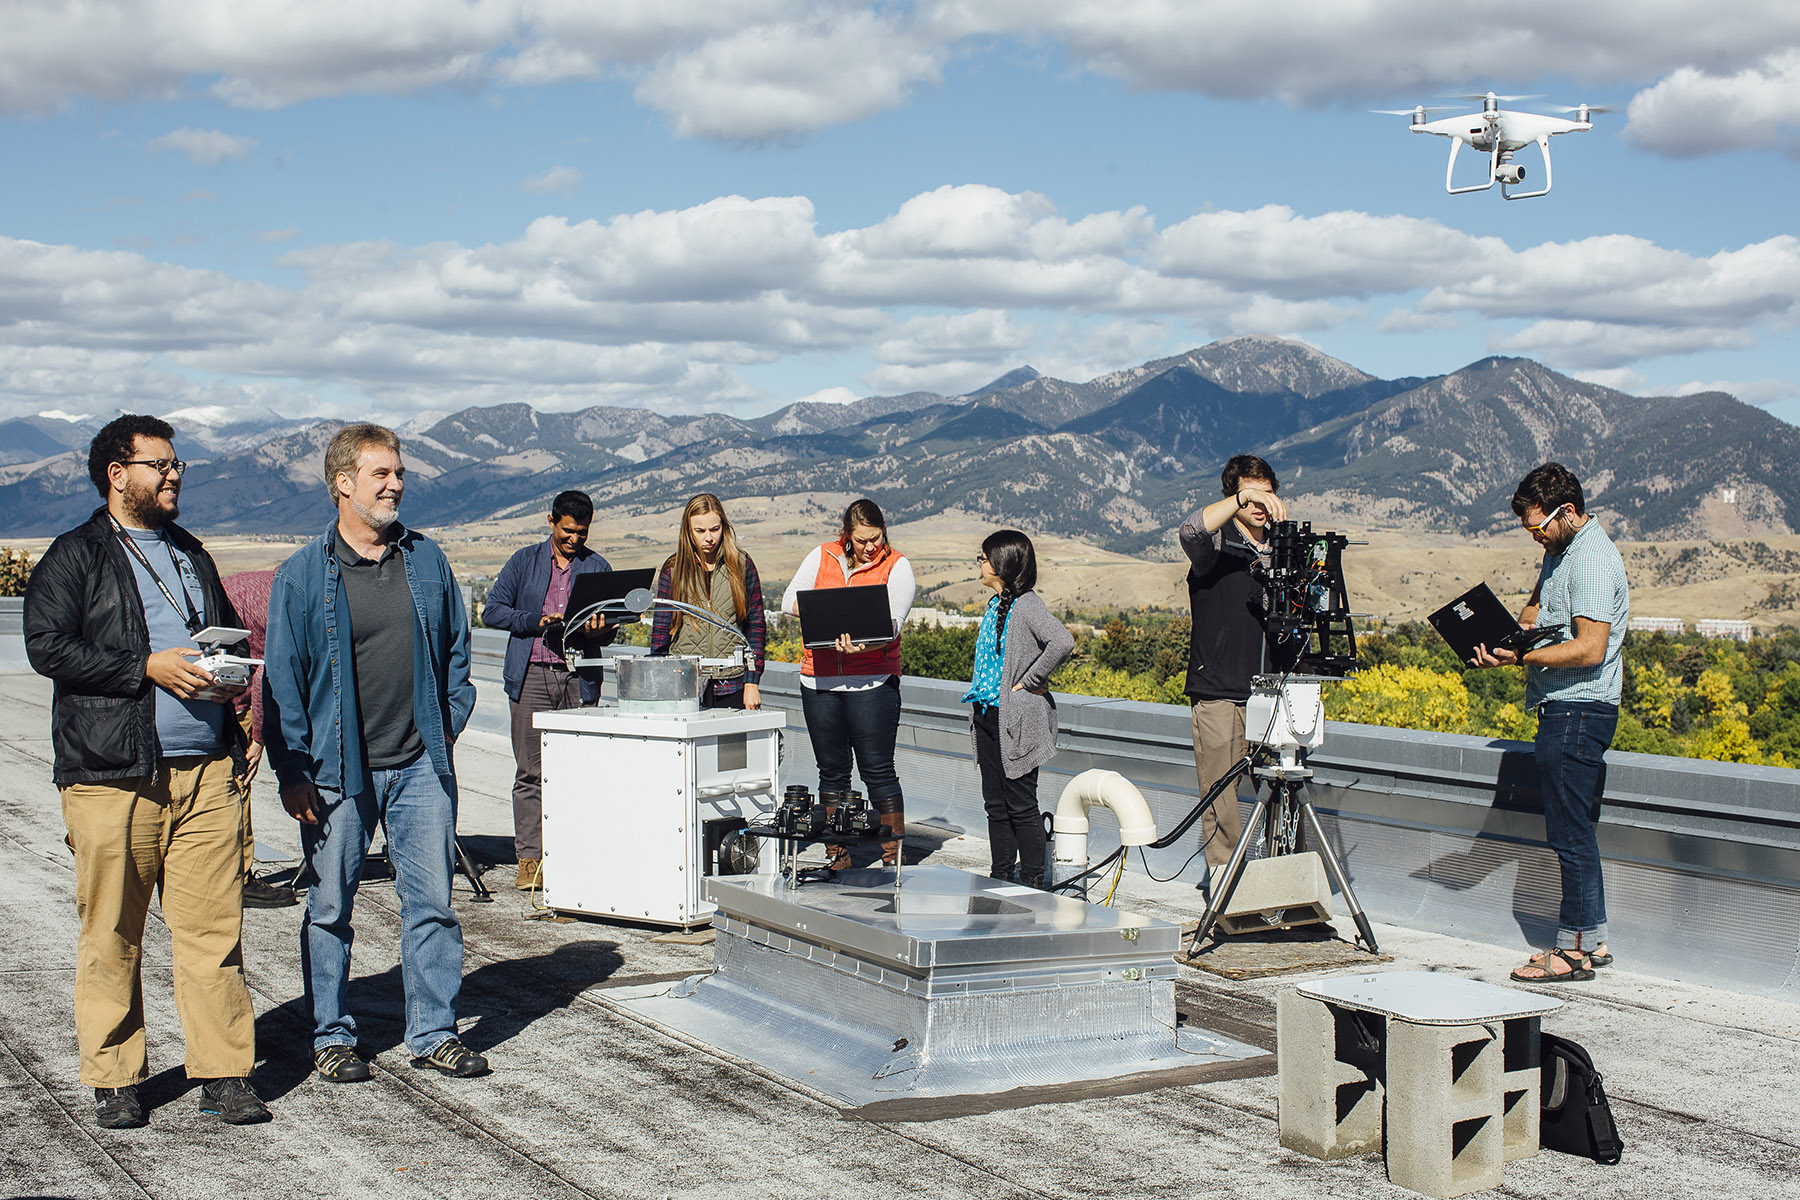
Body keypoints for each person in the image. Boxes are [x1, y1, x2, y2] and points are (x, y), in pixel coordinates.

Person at [23, 413, 270, 1129]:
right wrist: (144, 667)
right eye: (159, 464)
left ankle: (224, 1073)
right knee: (111, 933)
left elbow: (222, 633)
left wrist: (237, 703)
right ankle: (115, 1076)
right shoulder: (77, 555)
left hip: (204, 772)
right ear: (117, 474)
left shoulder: (190, 551)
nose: (173, 475)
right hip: (111, 774)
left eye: (176, 465)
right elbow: (48, 647)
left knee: (214, 934)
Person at [263, 423, 487, 1082]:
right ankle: (331, 1035)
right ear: (342, 484)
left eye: (399, 474)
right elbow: (283, 681)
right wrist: (292, 770)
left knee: (433, 907)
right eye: (381, 474)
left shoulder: (426, 559)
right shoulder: (304, 575)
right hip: (336, 771)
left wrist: (444, 727)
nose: (395, 485)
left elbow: (457, 655)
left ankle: (434, 1032)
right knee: (330, 908)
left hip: (420, 764)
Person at [1471, 462, 1629, 984]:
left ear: (1566, 512)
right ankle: (1593, 941)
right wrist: (1504, 642)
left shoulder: (1589, 562)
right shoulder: (1561, 554)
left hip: (1580, 709)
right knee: (1573, 829)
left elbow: (1590, 648)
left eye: (1539, 528)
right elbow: (1535, 617)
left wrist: (1522, 660)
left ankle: (1575, 950)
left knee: (1570, 834)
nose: (1535, 538)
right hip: (1561, 706)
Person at [481, 490, 616, 890]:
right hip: (532, 675)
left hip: (580, 678)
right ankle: (530, 859)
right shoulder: (523, 561)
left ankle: (574, 853)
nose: (575, 539)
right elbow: (493, 611)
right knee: (531, 773)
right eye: (568, 531)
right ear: (551, 521)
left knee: (578, 772)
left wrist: (603, 628)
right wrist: (538, 621)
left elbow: (610, 632)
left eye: (582, 533)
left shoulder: (598, 566)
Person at [1177, 454, 1298, 895]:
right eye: (1251, 494)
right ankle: (1227, 890)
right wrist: (1238, 498)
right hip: (1220, 691)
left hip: (1277, 693)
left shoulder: (1287, 549)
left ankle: (1280, 889)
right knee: (1220, 798)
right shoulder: (1216, 545)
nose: (1261, 503)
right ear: (1235, 495)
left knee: (1284, 793)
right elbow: (1190, 529)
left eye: (1268, 493)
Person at [781, 498, 915, 881]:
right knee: (832, 772)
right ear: (847, 535)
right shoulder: (822, 556)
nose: (871, 547)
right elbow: (790, 599)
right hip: (819, 680)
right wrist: (827, 611)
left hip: (872, 682)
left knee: (878, 771)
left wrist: (865, 642)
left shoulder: (897, 566)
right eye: (862, 540)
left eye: (876, 538)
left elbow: (893, 623)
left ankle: (893, 856)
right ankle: (837, 855)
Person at [961, 530, 1074, 888]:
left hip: (1016, 720)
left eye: (983, 559)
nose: (979, 564)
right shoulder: (996, 605)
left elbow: (1062, 640)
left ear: (1001, 564)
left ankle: (1032, 883)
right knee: (995, 804)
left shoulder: (1027, 605)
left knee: (1021, 805)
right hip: (987, 714)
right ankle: (1000, 878)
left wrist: (1029, 680)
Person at [220, 569, 300, 908]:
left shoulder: (276, 583)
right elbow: (270, 671)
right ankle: (239, 879)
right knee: (237, 785)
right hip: (233, 697)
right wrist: (257, 738)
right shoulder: (291, 602)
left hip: (216, 688)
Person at [648, 493, 767, 710]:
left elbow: (756, 627)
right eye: (700, 531)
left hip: (733, 685)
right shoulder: (673, 570)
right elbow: (660, 634)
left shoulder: (742, 565)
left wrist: (752, 681)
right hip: (684, 684)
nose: (709, 538)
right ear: (688, 531)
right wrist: (660, 681)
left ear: (724, 527)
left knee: (732, 745)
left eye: (714, 529)